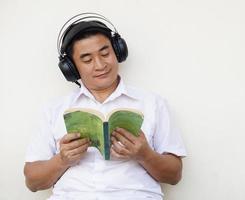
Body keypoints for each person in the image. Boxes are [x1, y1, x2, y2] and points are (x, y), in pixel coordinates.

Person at [24, 13, 186, 200]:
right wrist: (62, 160)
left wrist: (144, 154)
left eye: (105, 53)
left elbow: (175, 175)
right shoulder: (53, 109)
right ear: (72, 68)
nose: (100, 65)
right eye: (87, 60)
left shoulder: (153, 103)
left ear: (117, 51)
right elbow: (32, 182)